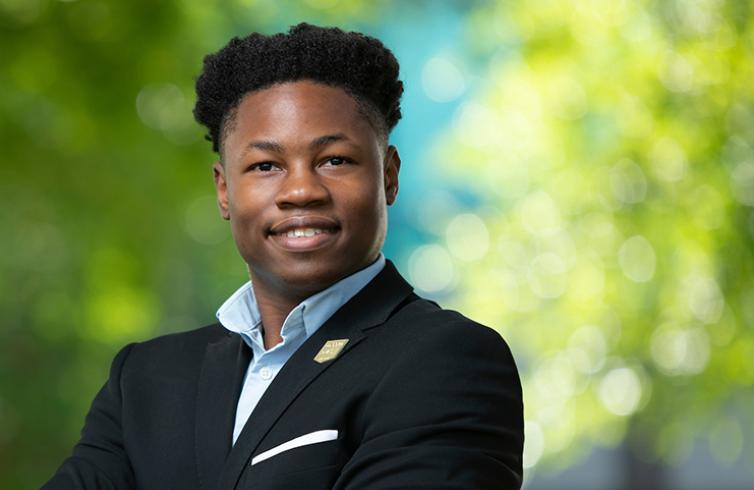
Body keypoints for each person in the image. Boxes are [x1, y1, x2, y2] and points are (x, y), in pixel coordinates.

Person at [44, 23, 523, 489]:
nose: (300, 190)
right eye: (265, 165)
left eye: (334, 160)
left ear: (389, 175)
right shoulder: (145, 381)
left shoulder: (447, 360)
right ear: (224, 190)